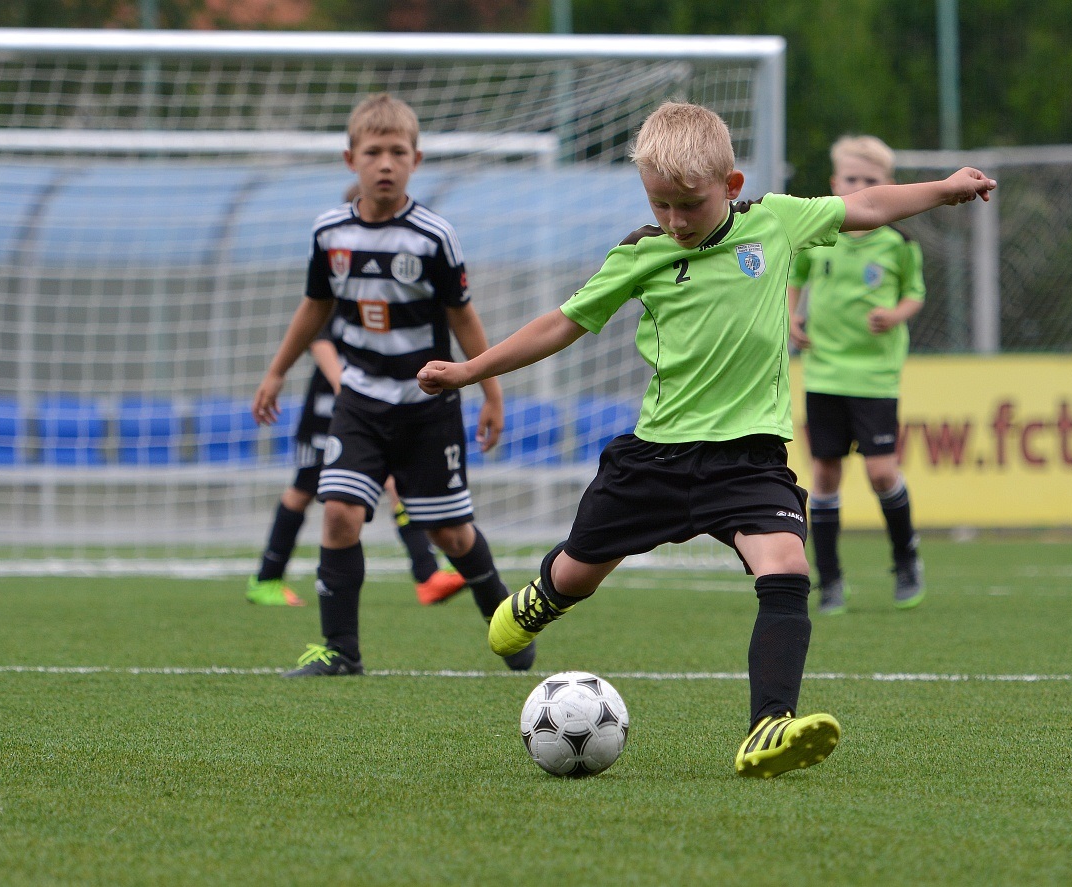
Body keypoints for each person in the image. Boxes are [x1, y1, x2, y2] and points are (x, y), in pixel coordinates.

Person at [417, 101, 994, 777]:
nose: (675, 220)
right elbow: (562, 323)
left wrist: (943, 189)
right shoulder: (642, 252)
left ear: (731, 184)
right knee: (577, 572)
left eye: (689, 204)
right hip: (657, 458)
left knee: (787, 567)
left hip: (749, 459)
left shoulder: (776, 223)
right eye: (659, 204)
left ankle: (768, 726)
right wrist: (472, 370)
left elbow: (866, 206)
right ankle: (542, 596)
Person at [253, 93, 531, 676]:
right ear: (350, 158)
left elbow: (462, 317)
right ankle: (341, 652)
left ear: (416, 160)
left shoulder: (433, 236)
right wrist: (277, 371)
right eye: (374, 151)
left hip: (427, 405)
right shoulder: (330, 232)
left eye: (398, 152)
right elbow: (315, 305)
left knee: (451, 535)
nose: (386, 163)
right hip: (358, 400)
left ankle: (503, 617)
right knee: (338, 513)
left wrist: (491, 391)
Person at [787, 135, 927, 615]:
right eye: (851, 178)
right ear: (835, 183)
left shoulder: (899, 243)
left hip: (874, 376)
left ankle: (906, 559)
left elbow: (915, 293)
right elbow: (795, 278)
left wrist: (895, 314)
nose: (860, 186)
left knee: (881, 472)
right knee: (825, 474)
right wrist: (793, 316)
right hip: (824, 373)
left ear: (887, 186)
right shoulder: (820, 235)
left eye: (871, 180)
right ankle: (829, 580)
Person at [244, 321, 467, 608]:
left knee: (394, 480)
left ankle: (427, 575)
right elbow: (317, 336)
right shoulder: (337, 296)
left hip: (371, 405)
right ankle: (266, 579)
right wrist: (346, 389)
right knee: (304, 489)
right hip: (333, 405)